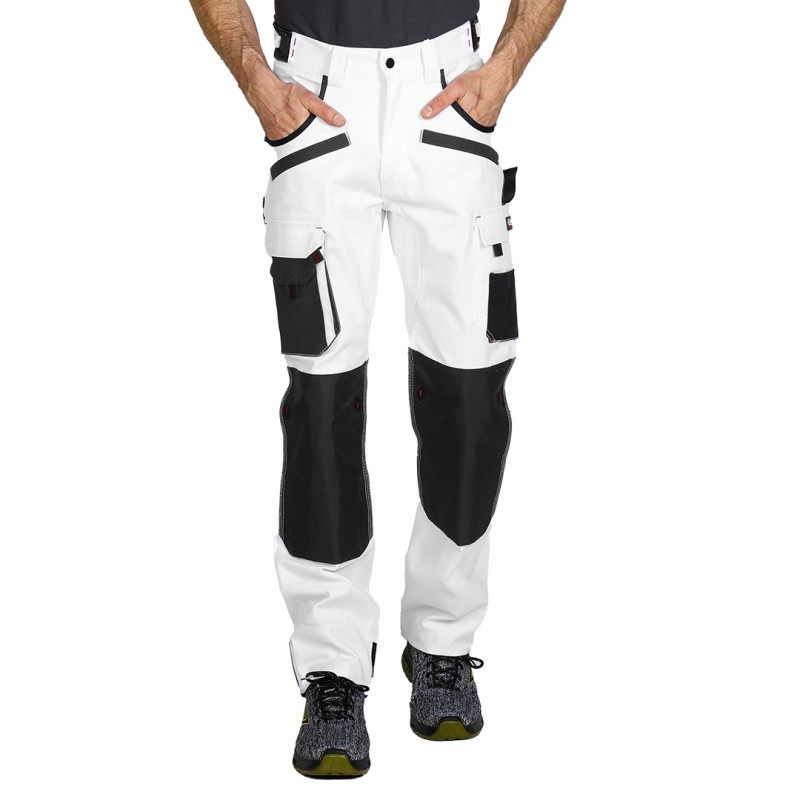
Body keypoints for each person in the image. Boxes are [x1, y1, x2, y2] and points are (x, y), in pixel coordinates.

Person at [189, 0, 566, 778]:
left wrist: (502, 71)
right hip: (318, 99)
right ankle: (332, 667)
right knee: (323, 402)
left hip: (447, 94)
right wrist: (258, 83)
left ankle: (442, 644)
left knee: (471, 396)